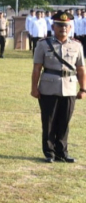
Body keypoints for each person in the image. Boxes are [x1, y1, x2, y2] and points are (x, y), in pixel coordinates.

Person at [31, 11, 86, 163]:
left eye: (66, 26)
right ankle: (49, 152)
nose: (63, 28)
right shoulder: (43, 44)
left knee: (64, 121)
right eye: (60, 25)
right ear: (53, 27)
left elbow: (81, 68)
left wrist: (83, 89)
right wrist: (34, 88)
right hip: (48, 86)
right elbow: (37, 68)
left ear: (70, 28)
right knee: (48, 121)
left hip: (69, 87)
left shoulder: (77, 45)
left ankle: (62, 152)